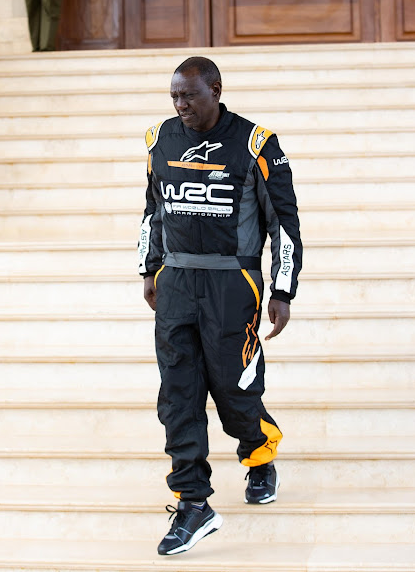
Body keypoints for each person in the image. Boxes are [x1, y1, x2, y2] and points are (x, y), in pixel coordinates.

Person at [138, 56, 302, 556]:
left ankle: (259, 454)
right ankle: (192, 502)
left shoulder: (257, 143)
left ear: (216, 89)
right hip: (177, 281)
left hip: (235, 283)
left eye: (189, 96)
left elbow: (285, 223)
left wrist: (281, 289)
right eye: (174, 97)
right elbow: (153, 208)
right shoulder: (159, 139)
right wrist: (150, 267)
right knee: (178, 392)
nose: (180, 105)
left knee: (233, 387)